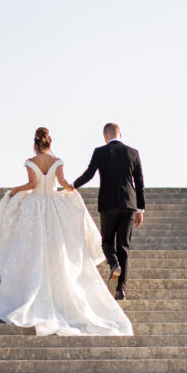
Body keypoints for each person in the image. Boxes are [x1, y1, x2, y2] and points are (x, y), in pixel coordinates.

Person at [0, 127, 133, 336]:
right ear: (50, 144)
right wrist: (71, 189)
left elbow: (31, 184)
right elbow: (64, 184)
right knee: (57, 246)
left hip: (36, 205)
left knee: (34, 246)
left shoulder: (31, 162)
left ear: (35, 144)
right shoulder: (58, 162)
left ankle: (31, 286)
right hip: (54, 205)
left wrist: (15, 190)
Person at [72, 123, 145, 301]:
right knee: (123, 247)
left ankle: (114, 264)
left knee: (106, 242)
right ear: (121, 133)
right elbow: (139, 183)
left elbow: (89, 174)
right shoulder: (133, 153)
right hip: (129, 205)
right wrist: (140, 209)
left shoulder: (100, 152)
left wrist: (72, 185)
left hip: (108, 204)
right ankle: (121, 289)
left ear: (105, 136)